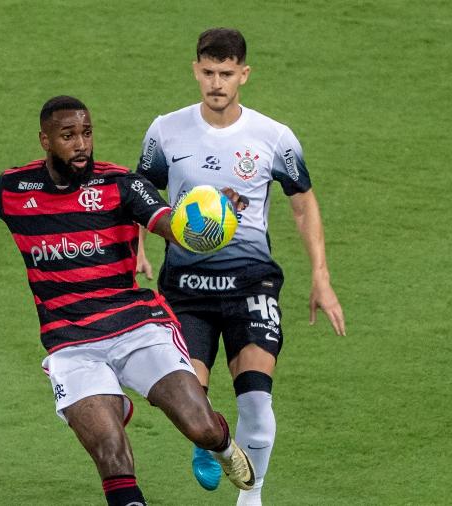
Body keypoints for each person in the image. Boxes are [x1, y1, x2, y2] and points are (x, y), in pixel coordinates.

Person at [0, 96, 256, 506]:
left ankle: (219, 446)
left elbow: (169, 224)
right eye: (68, 135)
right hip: (71, 346)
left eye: (87, 133)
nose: (81, 144)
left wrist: (213, 219)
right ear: (45, 140)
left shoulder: (120, 185)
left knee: (200, 426)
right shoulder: (13, 189)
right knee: (109, 451)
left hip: (138, 329)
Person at [135, 29, 346, 505]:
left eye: (226, 74)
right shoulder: (165, 131)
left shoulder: (273, 137)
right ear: (195, 70)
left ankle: (252, 499)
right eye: (208, 72)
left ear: (243, 75)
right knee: (191, 404)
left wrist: (321, 276)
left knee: (256, 399)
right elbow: (139, 194)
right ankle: (207, 439)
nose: (216, 83)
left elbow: (302, 204)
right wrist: (138, 253)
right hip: (185, 288)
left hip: (252, 284)